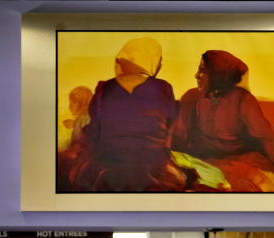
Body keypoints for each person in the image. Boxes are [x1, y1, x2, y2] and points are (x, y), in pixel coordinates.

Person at [170, 50, 274, 192]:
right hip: (205, 162)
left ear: (218, 75)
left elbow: (266, 138)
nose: (196, 75)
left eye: (203, 71)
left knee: (271, 185)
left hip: (242, 161)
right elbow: (179, 136)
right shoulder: (191, 97)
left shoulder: (243, 99)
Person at [64, 37, 186, 192]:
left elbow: (94, 131)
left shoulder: (104, 88)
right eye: (159, 61)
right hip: (152, 164)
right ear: (151, 61)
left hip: (109, 162)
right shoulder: (163, 88)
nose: (160, 65)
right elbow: (168, 125)